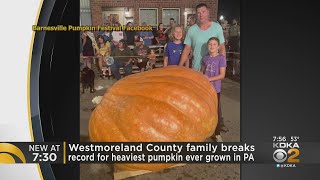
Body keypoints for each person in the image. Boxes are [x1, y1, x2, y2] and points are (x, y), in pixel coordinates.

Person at [178, 3, 226, 71]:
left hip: (212, 70)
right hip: (196, 69)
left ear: (208, 12)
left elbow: (222, 48)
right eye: (198, 13)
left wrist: (222, 67)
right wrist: (179, 67)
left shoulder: (217, 27)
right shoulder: (191, 29)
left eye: (203, 12)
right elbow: (186, 50)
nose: (201, 15)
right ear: (196, 15)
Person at [200, 37, 227, 142]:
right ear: (208, 46)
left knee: (215, 112)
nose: (212, 46)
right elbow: (202, 72)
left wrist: (209, 79)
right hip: (205, 89)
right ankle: (206, 131)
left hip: (215, 90)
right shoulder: (205, 58)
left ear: (218, 46)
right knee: (205, 110)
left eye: (214, 44)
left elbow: (222, 75)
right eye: (210, 44)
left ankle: (217, 133)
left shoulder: (221, 58)